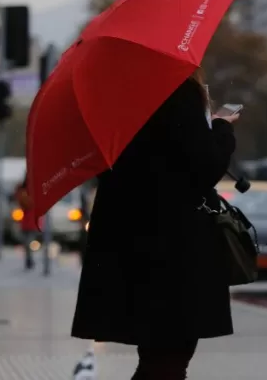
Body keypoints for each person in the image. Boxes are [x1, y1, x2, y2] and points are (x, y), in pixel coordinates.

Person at [71, 68, 238, 379]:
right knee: (169, 359)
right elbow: (205, 165)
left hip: (129, 242)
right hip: (173, 249)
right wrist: (221, 128)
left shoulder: (111, 93)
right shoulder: (175, 89)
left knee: (158, 357)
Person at [14, 175, 37, 270]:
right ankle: (29, 259)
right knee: (27, 242)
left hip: (30, 221)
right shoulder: (24, 191)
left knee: (28, 242)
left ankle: (29, 260)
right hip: (27, 221)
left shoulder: (26, 191)